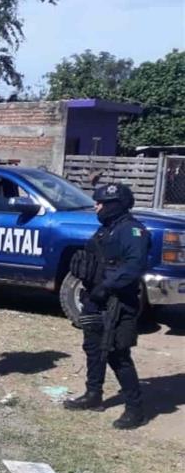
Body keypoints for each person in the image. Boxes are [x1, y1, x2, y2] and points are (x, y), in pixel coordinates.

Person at [64, 183, 148, 429]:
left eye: (100, 203)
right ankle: (93, 394)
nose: (96, 206)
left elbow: (133, 267)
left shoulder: (132, 231)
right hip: (95, 298)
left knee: (118, 354)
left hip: (118, 302)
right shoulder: (106, 230)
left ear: (114, 205)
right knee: (92, 348)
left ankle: (136, 409)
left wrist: (107, 287)